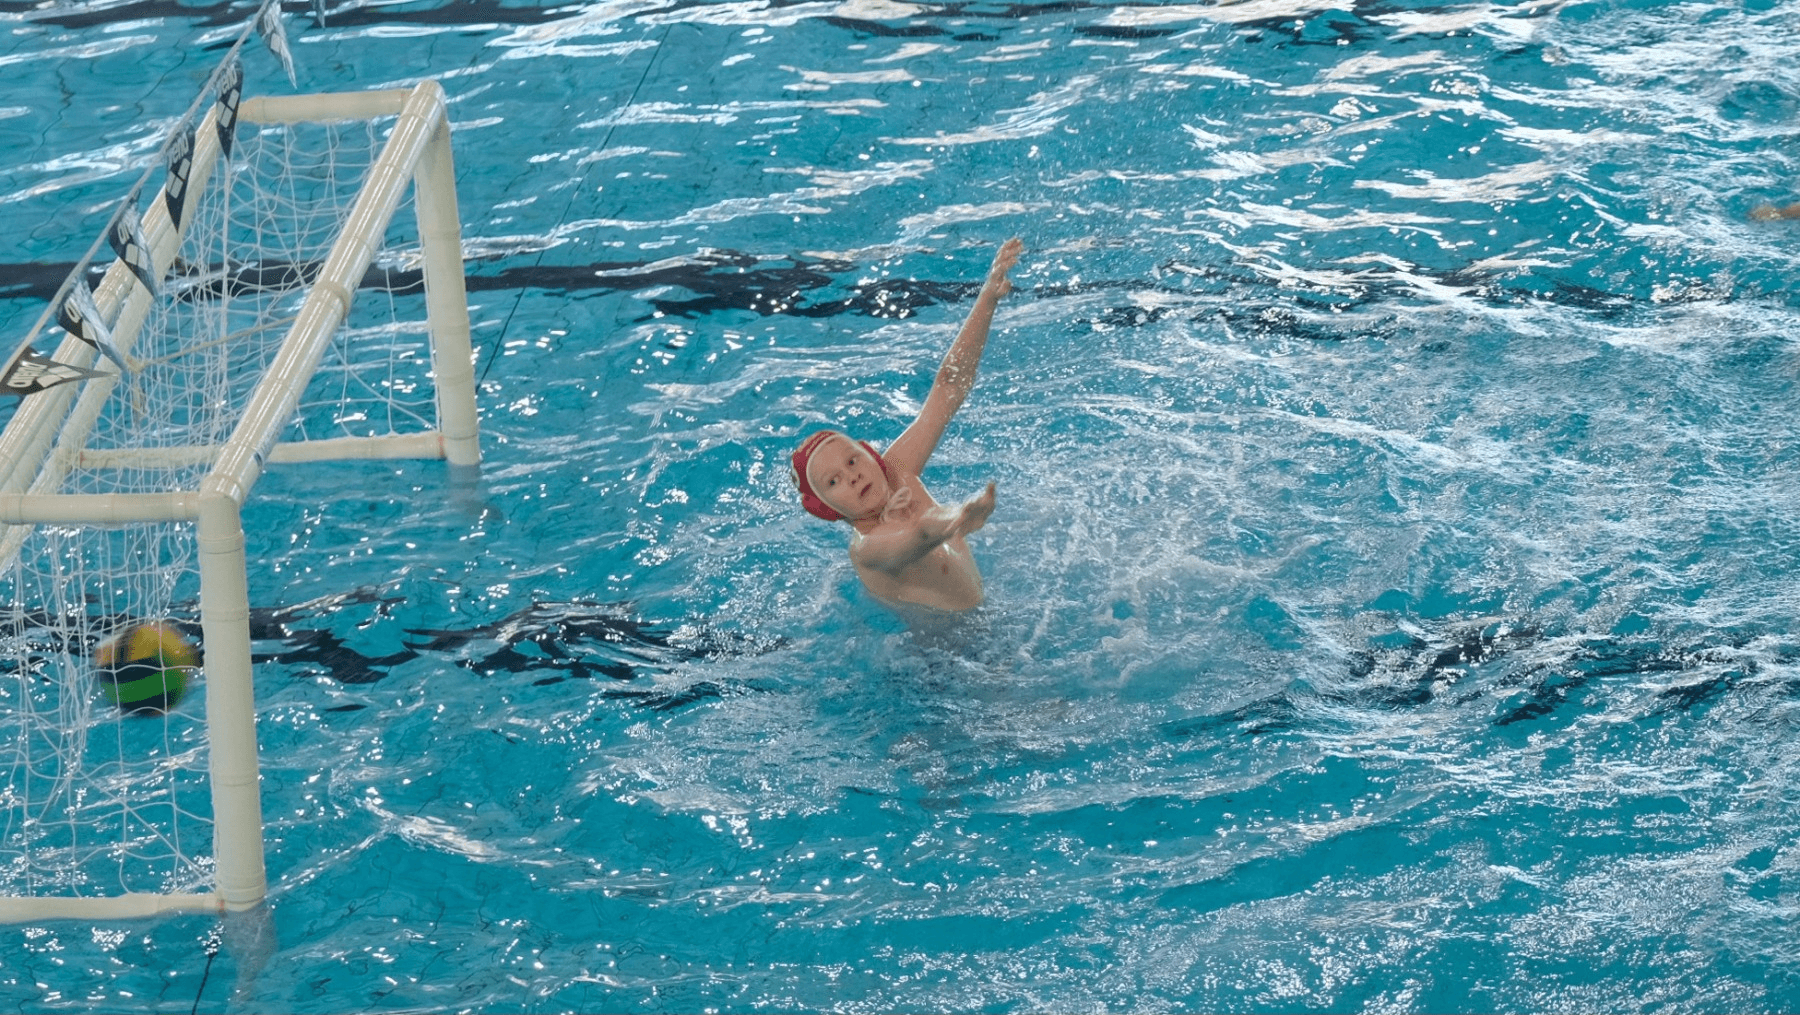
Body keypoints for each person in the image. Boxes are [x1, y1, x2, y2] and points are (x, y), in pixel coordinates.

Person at [790, 238, 1023, 613]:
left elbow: (949, 388)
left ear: (870, 454)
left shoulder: (896, 468)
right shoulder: (868, 550)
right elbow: (919, 534)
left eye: (852, 460)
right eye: (833, 482)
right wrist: (957, 518)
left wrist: (987, 298)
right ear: (827, 509)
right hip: (948, 645)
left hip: (983, 612)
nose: (852, 476)